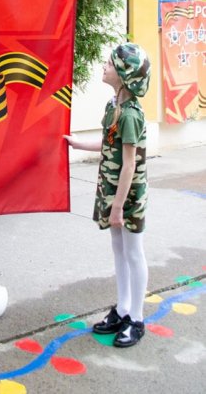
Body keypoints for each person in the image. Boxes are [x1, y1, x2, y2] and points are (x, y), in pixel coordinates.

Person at [65, 42, 151, 348]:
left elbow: (129, 165)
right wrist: (78, 144)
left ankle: (136, 319)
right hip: (112, 191)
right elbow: (108, 143)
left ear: (125, 75)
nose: (105, 66)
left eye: (111, 64)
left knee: (133, 252)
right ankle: (123, 309)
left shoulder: (130, 115)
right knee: (119, 250)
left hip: (128, 198)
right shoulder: (113, 107)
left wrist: (117, 208)